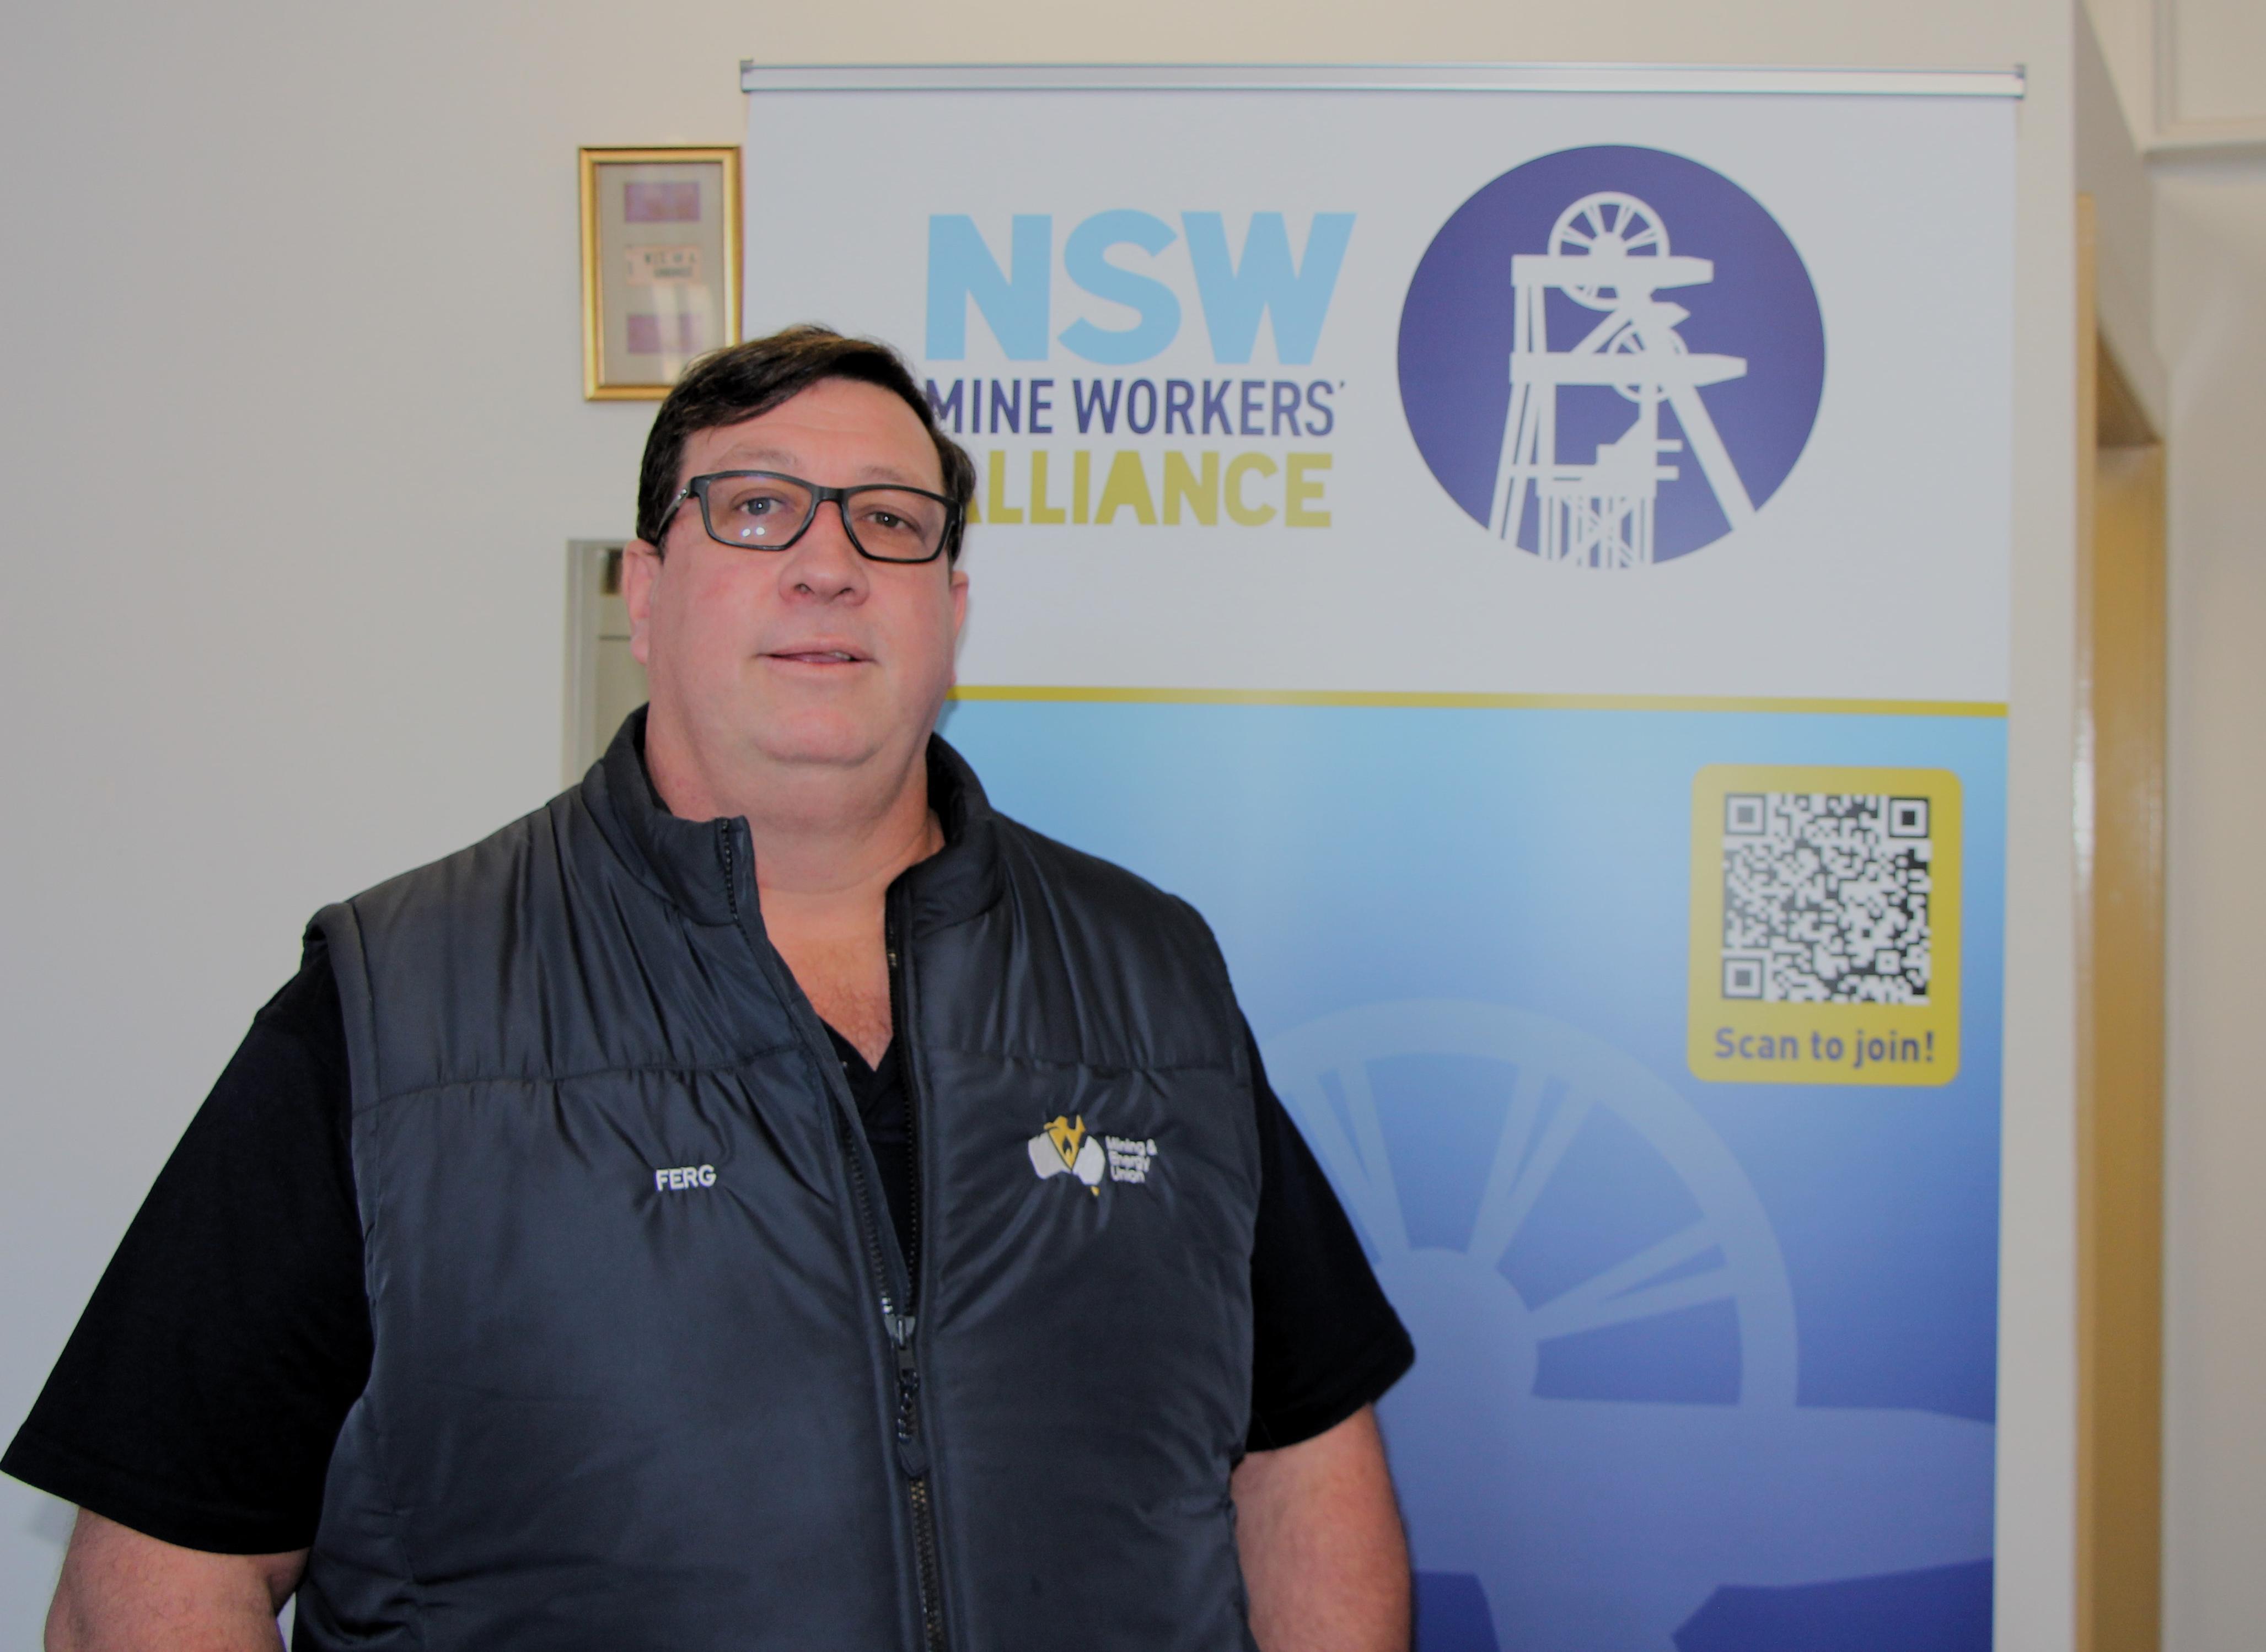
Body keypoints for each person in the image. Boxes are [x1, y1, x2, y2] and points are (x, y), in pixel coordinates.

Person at [4, 326, 1415, 1652]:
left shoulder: (1152, 974)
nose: (828, 565)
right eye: (755, 510)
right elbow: (157, 1574)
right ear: (647, 587)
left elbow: (1300, 1459)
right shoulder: (395, 1007)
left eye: (891, 520)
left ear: (951, 607)